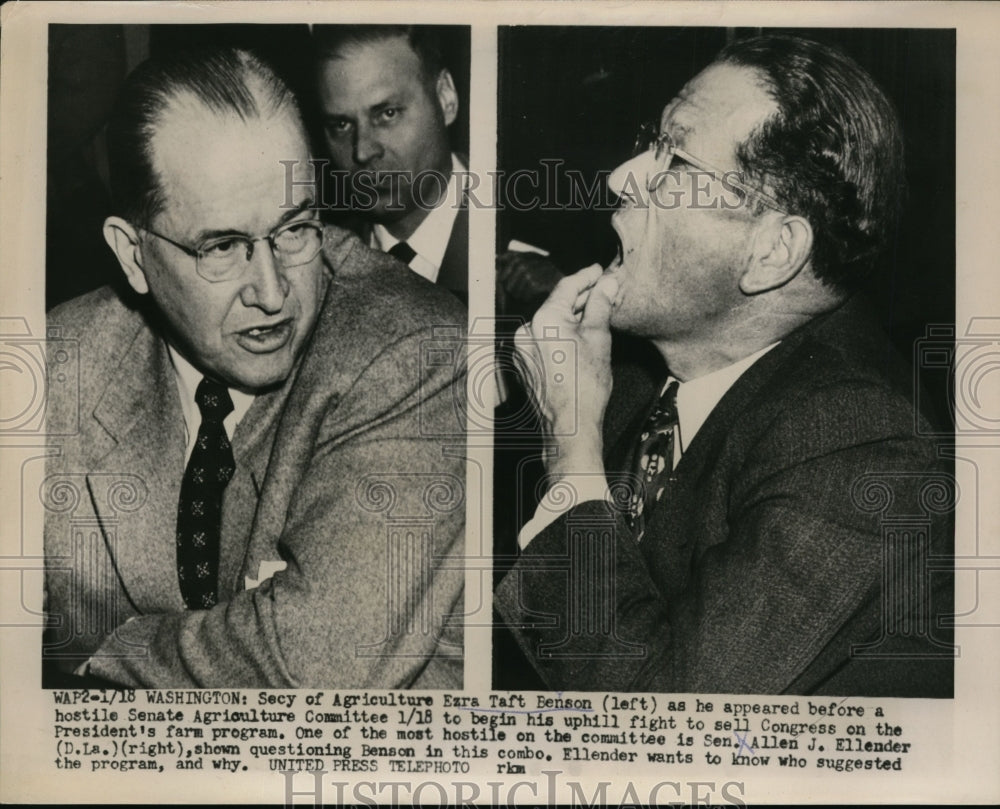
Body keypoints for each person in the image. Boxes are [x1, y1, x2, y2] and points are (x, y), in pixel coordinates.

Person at [495, 35, 954, 696]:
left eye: (674, 159)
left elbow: (662, 727)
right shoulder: (631, 376)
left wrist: (570, 451)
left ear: (773, 251)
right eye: (649, 141)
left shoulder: (863, 444)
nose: (621, 178)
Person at [42, 47, 466, 689]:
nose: (272, 292)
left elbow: (316, 664)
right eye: (222, 246)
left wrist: (85, 659)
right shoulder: (57, 364)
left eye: (294, 230)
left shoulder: (416, 350)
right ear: (132, 256)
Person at [312, 25, 468, 301]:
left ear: (446, 98)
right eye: (341, 125)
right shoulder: (318, 267)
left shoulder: (527, 248)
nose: (362, 151)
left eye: (388, 114)